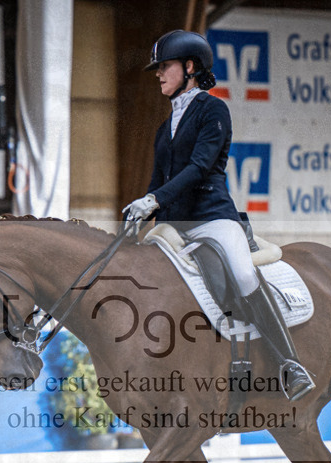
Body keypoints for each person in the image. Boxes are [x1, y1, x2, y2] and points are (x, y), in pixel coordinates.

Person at [123, 29, 314, 401]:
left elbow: (199, 167)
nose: (159, 74)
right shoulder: (164, 128)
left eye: (165, 67)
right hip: (173, 226)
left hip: (213, 217)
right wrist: (139, 213)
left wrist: (154, 200)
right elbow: (157, 179)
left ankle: (289, 364)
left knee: (243, 273)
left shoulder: (213, 110)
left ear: (189, 67)